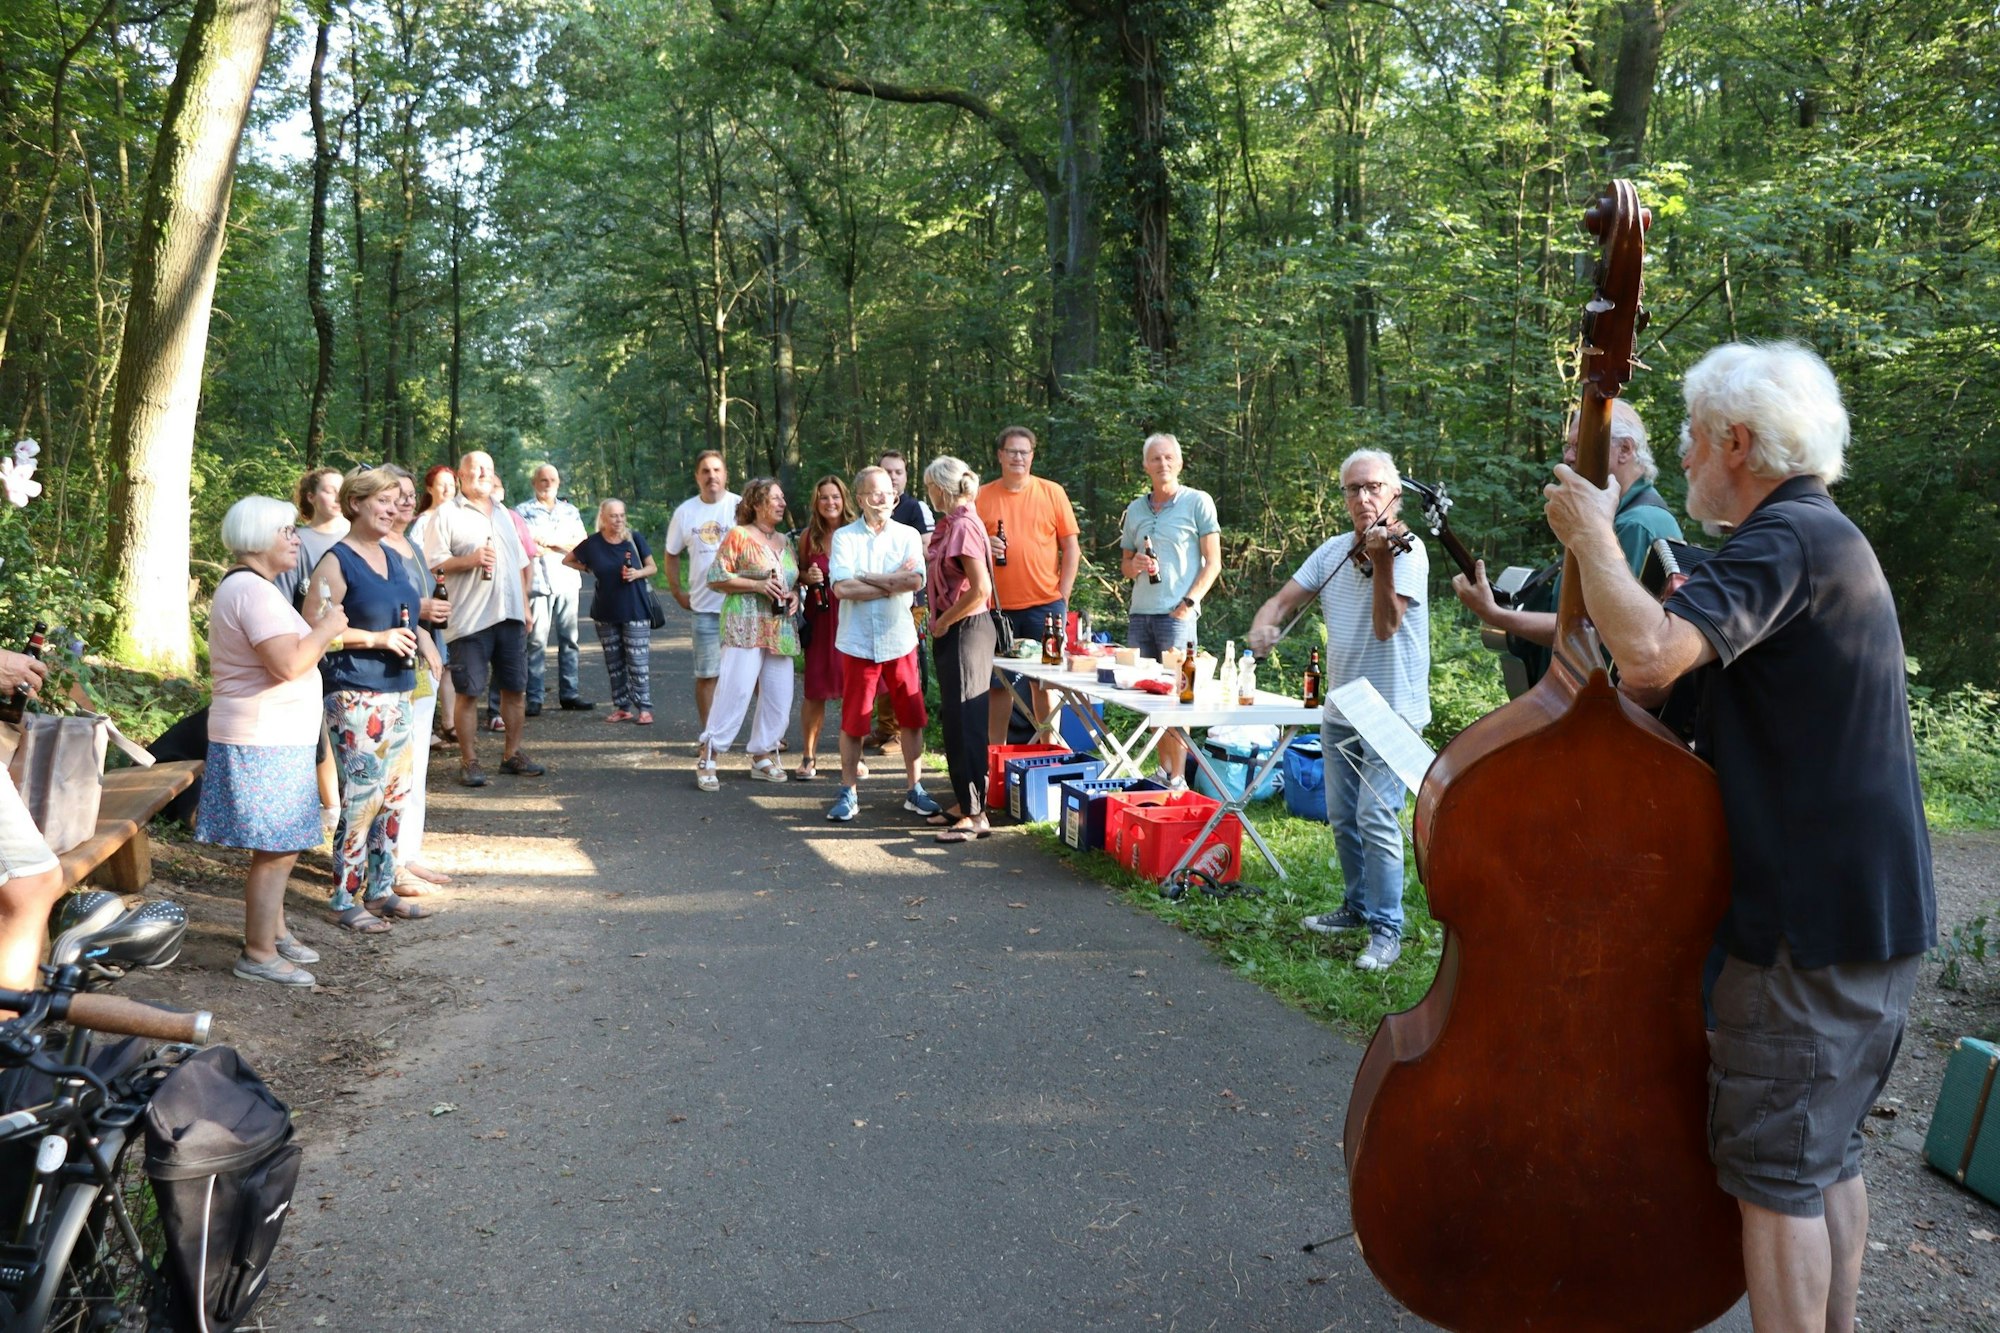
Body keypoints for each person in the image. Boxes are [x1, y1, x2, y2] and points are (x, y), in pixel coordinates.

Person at [1542, 342, 1934, 1333]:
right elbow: (1650, 682)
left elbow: (1649, 650)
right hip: (1862, 918)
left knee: (1774, 1180)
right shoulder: (1815, 537)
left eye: (1685, 436)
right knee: (1821, 1160)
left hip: (1803, 930)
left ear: (1734, 440)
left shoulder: (1782, 538)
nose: (1677, 457)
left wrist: (1592, 537)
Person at [1247, 448, 1429, 972]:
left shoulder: (1407, 553)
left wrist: (1384, 563)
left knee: (1376, 817)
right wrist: (1266, 622)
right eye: (1353, 489)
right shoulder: (1331, 552)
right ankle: (1355, 907)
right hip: (1343, 705)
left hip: (1391, 709)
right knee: (1343, 816)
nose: (1363, 497)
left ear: (1394, 492)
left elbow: (1386, 627)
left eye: (1372, 487)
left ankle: (1387, 928)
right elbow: (1284, 601)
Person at [197, 496, 348, 985]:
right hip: (262, 737)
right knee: (277, 846)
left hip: (273, 735)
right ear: (260, 537)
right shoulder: (254, 592)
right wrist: (326, 627)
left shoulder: (255, 588)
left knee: (278, 844)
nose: (295, 538)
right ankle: (258, 954)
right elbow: (287, 665)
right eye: (286, 531)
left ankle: (275, 931)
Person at [1452, 400, 1683, 680]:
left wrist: (1497, 616)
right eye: (1568, 446)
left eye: (1580, 446)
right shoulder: (1612, 519)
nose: (1569, 457)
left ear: (1625, 450)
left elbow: (1592, 632)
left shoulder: (1636, 525)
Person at [302, 468, 438, 931]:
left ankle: (380, 892)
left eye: (396, 501)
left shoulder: (391, 557)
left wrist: (418, 636)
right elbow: (313, 631)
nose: (391, 508)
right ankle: (343, 897)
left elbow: (406, 613)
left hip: (398, 692)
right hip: (354, 695)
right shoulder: (336, 561)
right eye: (382, 500)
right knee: (363, 798)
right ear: (355, 504)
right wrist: (375, 640)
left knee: (395, 798)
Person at [826, 467, 937, 823]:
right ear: (859, 498)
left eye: (887, 492)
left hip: (898, 638)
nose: (882, 498)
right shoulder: (844, 537)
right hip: (858, 642)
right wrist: (893, 582)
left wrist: (868, 578)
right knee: (855, 720)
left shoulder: (907, 535)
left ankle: (915, 789)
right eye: (873, 493)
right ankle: (848, 793)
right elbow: (842, 589)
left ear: (896, 497)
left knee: (912, 716)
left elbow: (916, 580)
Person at [430, 451, 544, 787]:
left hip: (509, 615)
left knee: (516, 689)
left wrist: (524, 607)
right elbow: (435, 563)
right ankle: (469, 760)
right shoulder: (446, 515)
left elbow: (519, 564)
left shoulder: (506, 515)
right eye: (476, 468)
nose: (483, 473)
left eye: (488, 468)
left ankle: (512, 754)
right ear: (461, 475)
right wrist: (472, 559)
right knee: (470, 692)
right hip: (470, 619)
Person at [1118, 431, 1221, 786]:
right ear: (1145, 465)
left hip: (1177, 616)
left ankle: (1179, 777)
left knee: (1179, 697)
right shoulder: (1135, 509)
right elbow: (1126, 564)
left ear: (1179, 462)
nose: (1163, 464)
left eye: (1169, 458)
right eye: (1155, 458)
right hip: (1140, 614)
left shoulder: (1198, 502)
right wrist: (1136, 565)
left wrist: (1189, 603)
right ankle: (1163, 771)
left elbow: (1213, 562)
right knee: (1149, 696)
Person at [978, 426, 1080, 745]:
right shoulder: (982, 496)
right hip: (997, 609)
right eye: (1012, 451)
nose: (1018, 457)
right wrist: (985, 546)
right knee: (999, 687)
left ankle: (1049, 754)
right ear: (1000, 456)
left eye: (1024, 452)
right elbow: (963, 550)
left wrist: (1062, 596)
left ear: (1032, 456)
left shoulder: (1052, 492)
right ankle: (994, 761)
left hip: (1045, 607)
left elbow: (1071, 547)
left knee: (1045, 684)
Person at [693, 479, 798, 790]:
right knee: (735, 691)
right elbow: (715, 577)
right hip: (745, 623)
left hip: (780, 628)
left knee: (780, 696)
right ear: (756, 504)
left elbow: (791, 579)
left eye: (783, 498)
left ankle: (762, 754)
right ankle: (708, 753)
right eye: (775, 499)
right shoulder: (738, 536)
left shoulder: (785, 541)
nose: (782, 504)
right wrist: (755, 585)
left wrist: (795, 596)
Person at [381, 466, 453, 895]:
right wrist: (423, 616)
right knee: (394, 766)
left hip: (423, 669)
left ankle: (410, 853)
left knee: (417, 765)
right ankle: (388, 861)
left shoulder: (410, 546)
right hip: (392, 669)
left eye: (409, 496)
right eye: (396, 496)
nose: (405, 502)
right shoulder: (370, 549)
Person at [922, 456, 997, 843]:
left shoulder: (965, 526)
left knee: (967, 719)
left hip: (967, 628)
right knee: (953, 717)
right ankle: (963, 802)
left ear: (941, 487)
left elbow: (981, 590)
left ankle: (976, 813)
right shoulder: (951, 524)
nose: (927, 492)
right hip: (953, 628)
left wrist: (947, 620)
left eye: (929, 486)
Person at [861, 450, 935, 752]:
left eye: (898, 472)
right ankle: (884, 727)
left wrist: (880, 575)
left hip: (911, 601)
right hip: (871, 599)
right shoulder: (867, 507)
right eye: (886, 471)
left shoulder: (916, 508)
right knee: (876, 662)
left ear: (906, 476)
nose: (892, 477)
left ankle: (899, 733)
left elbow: (924, 554)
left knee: (901, 666)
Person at [662, 451, 739, 729]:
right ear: (697, 476)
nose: (712, 476)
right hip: (705, 609)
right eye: (705, 471)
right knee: (708, 675)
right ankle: (709, 736)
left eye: (717, 470)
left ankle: (766, 738)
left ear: (726, 474)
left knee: (750, 675)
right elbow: (671, 554)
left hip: (741, 606)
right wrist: (676, 591)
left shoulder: (741, 507)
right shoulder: (685, 512)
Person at [566, 500, 657, 725]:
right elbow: (568, 560)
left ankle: (644, 708)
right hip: (605, 611)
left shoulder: (634, 539)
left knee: (637, 661)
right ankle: (622, 707)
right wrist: (588, 568)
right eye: (614, 516)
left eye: (622, 515)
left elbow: (653, 567)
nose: (619, 520)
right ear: (603, 518)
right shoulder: (593, 543)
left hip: (635, 608)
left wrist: (637, 574)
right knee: (614, 663)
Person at [517, 464, 595, 715]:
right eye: (542, 480)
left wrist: (549, 542)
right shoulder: (523, 511)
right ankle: (534, 698)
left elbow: (582, 544)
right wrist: (562, 545)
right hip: (538, 583)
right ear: (534, 483)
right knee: (536, 642)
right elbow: (527, 545)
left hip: (567, 582)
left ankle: (569, 693)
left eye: (552, 479)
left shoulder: (570, 511)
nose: (547, 484)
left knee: (569, 640)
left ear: (558, 482)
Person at [792, 475, 853, 780]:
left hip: (852, 615)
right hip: (820, 616)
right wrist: (808, 577)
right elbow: (797, 573)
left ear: (845, 500)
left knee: (853, 689)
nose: (830, 502)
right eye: (824, 497)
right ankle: (808, 756)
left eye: (835, 496)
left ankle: (851, 758)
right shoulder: (808, 536)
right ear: (816, 502)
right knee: (815, 690)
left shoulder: (857, 531)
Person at [410, 463, 461, 746]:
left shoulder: (459, 518)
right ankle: (424, 726)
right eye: (441, 484)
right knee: (430, 661)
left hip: (457, 599)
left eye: (451, 485)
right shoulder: (422, 522)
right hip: (432, 601)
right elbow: (419, 564)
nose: (447, 490)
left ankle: (450, 722)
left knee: (450, 663)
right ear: (429, 489)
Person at [272, 465, 347, 608]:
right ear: (311, 497)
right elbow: (282, 601)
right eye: (330, 491)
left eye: (343, 491)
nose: (338, 498)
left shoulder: (359, 538)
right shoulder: (293, 541)